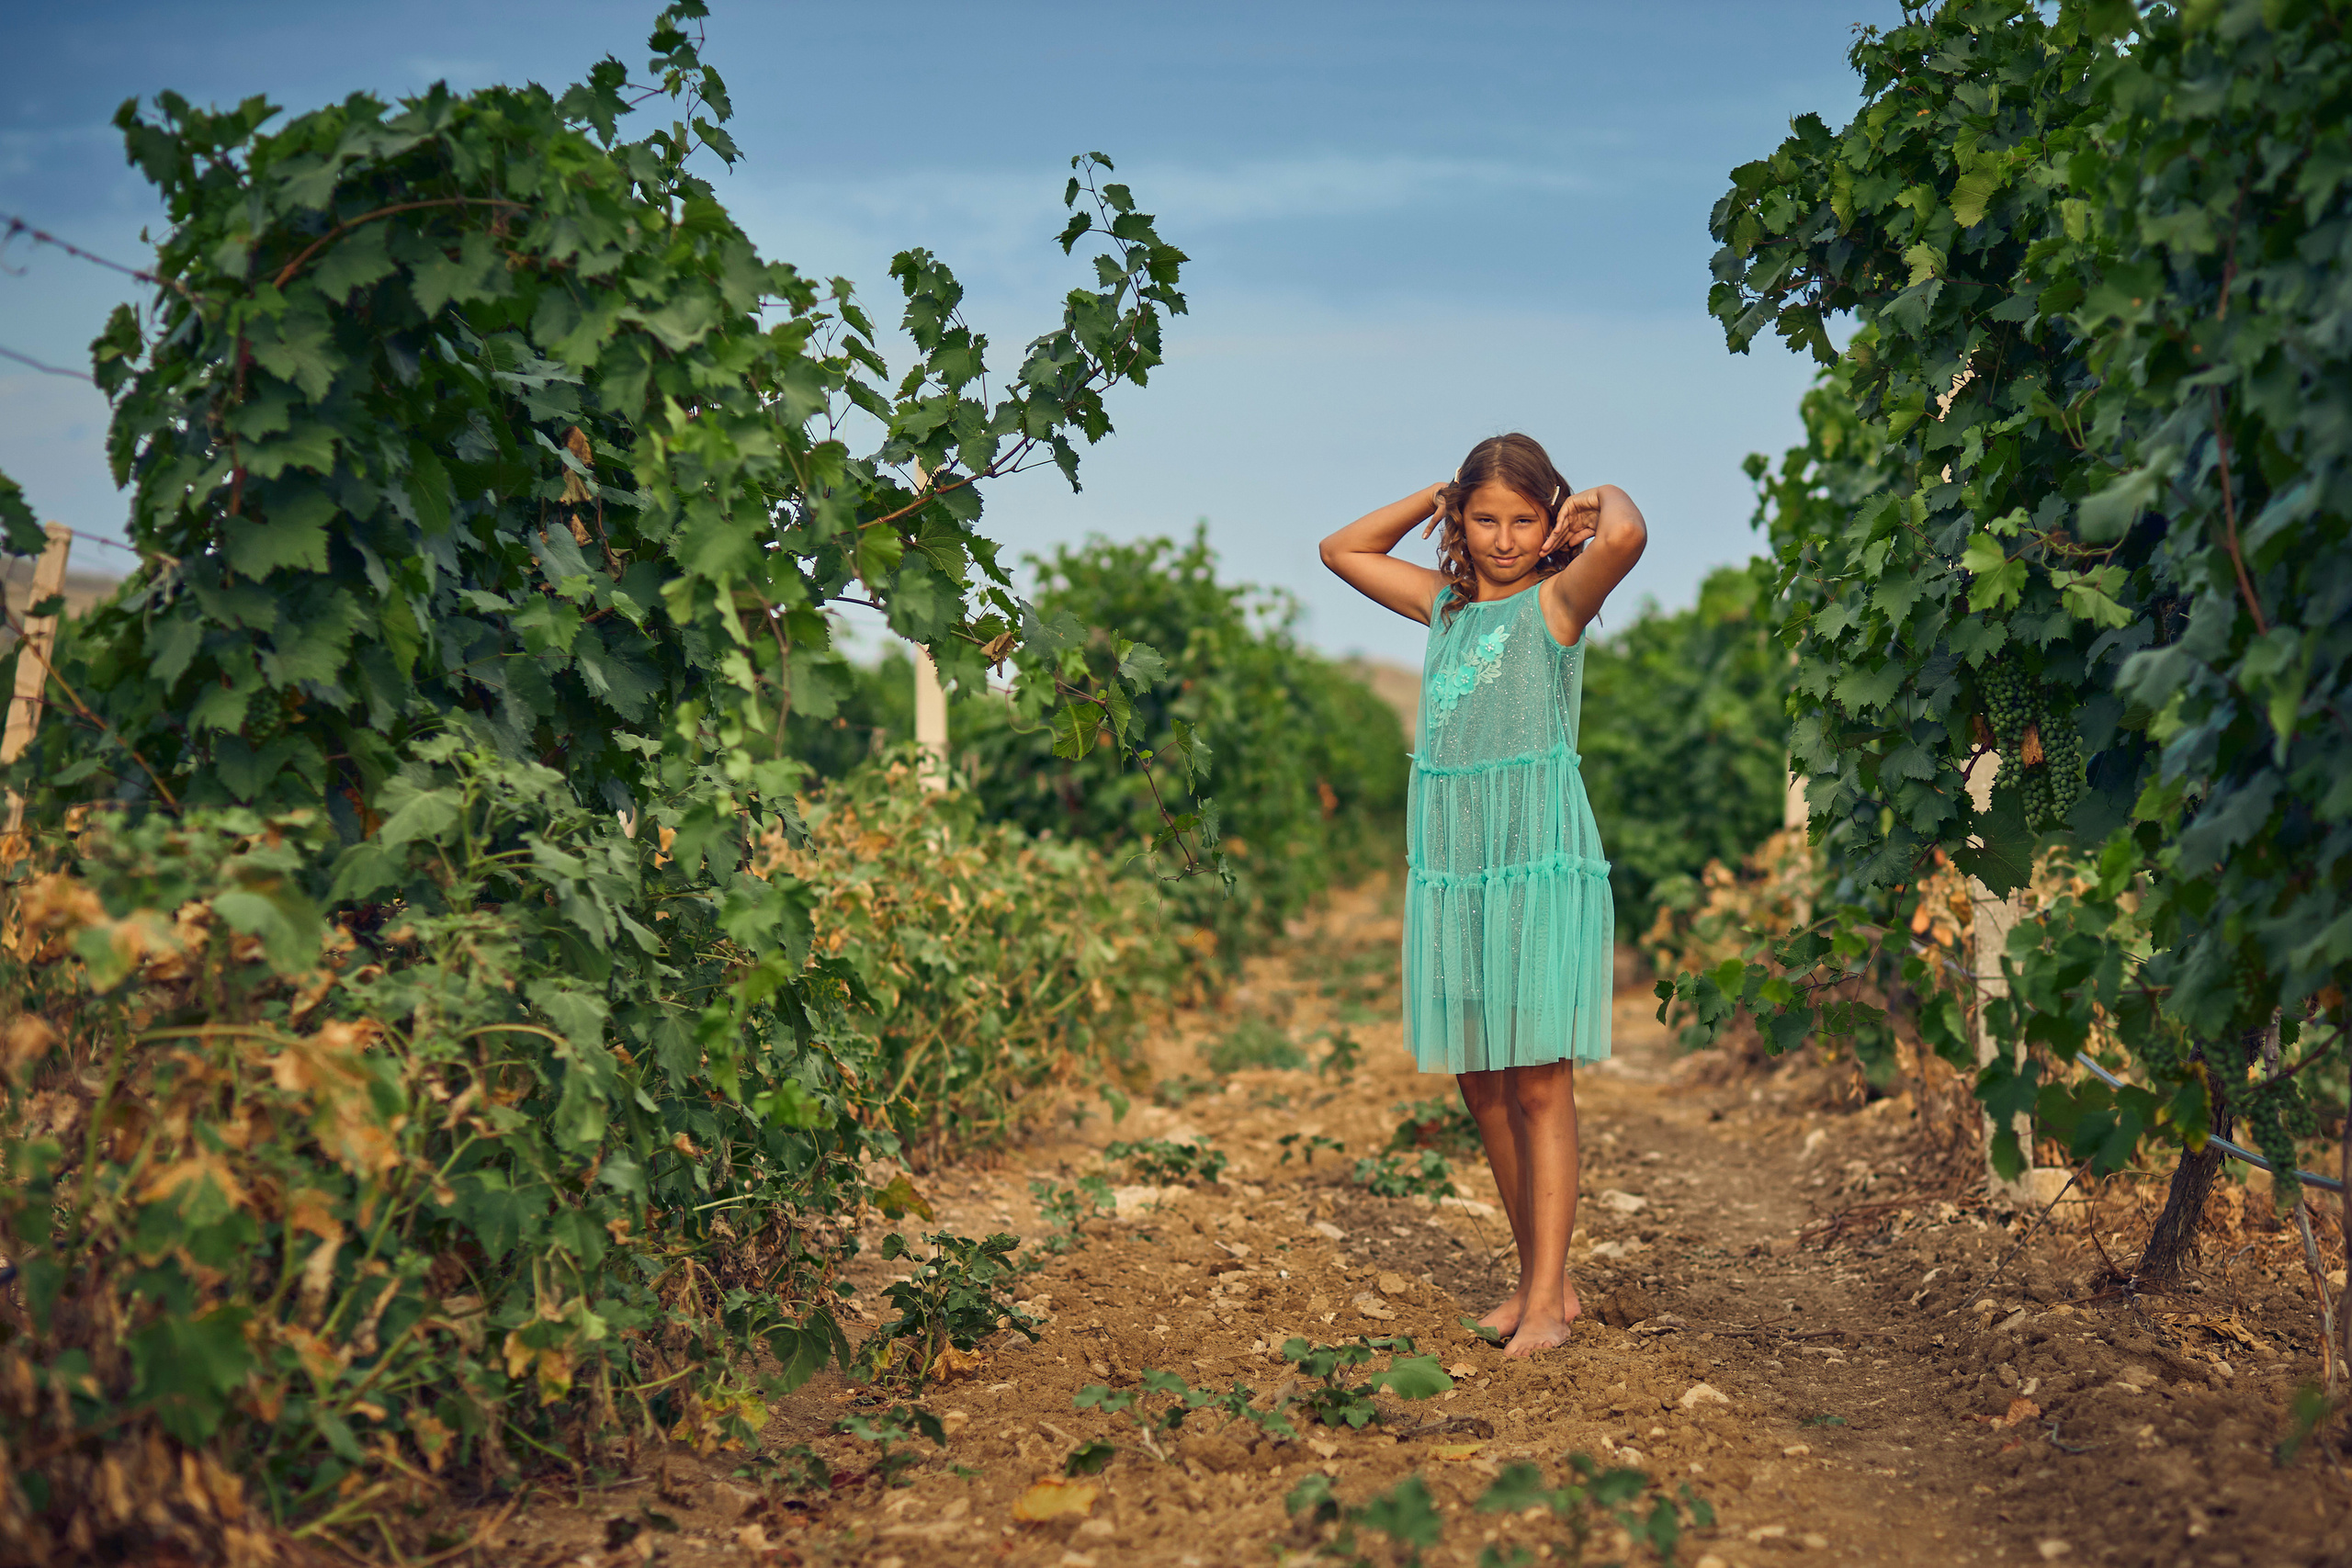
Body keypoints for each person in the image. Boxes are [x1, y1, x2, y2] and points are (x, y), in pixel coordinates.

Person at [1318, 434, 1647, 1358]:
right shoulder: (1446, 611)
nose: (1503, 537)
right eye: (1484, 518)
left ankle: (1546, 1301)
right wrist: (1429, 492)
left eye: (1522, 518)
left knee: (1539, 1079)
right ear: (1460, 523)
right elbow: (1339, 551)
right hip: (1456, 864)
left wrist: (1599, 496)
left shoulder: (1557, 603)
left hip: (1534, 856)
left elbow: (1622, 538)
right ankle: (1539, 1274)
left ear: (1550, 524)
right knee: (1480, 1078)